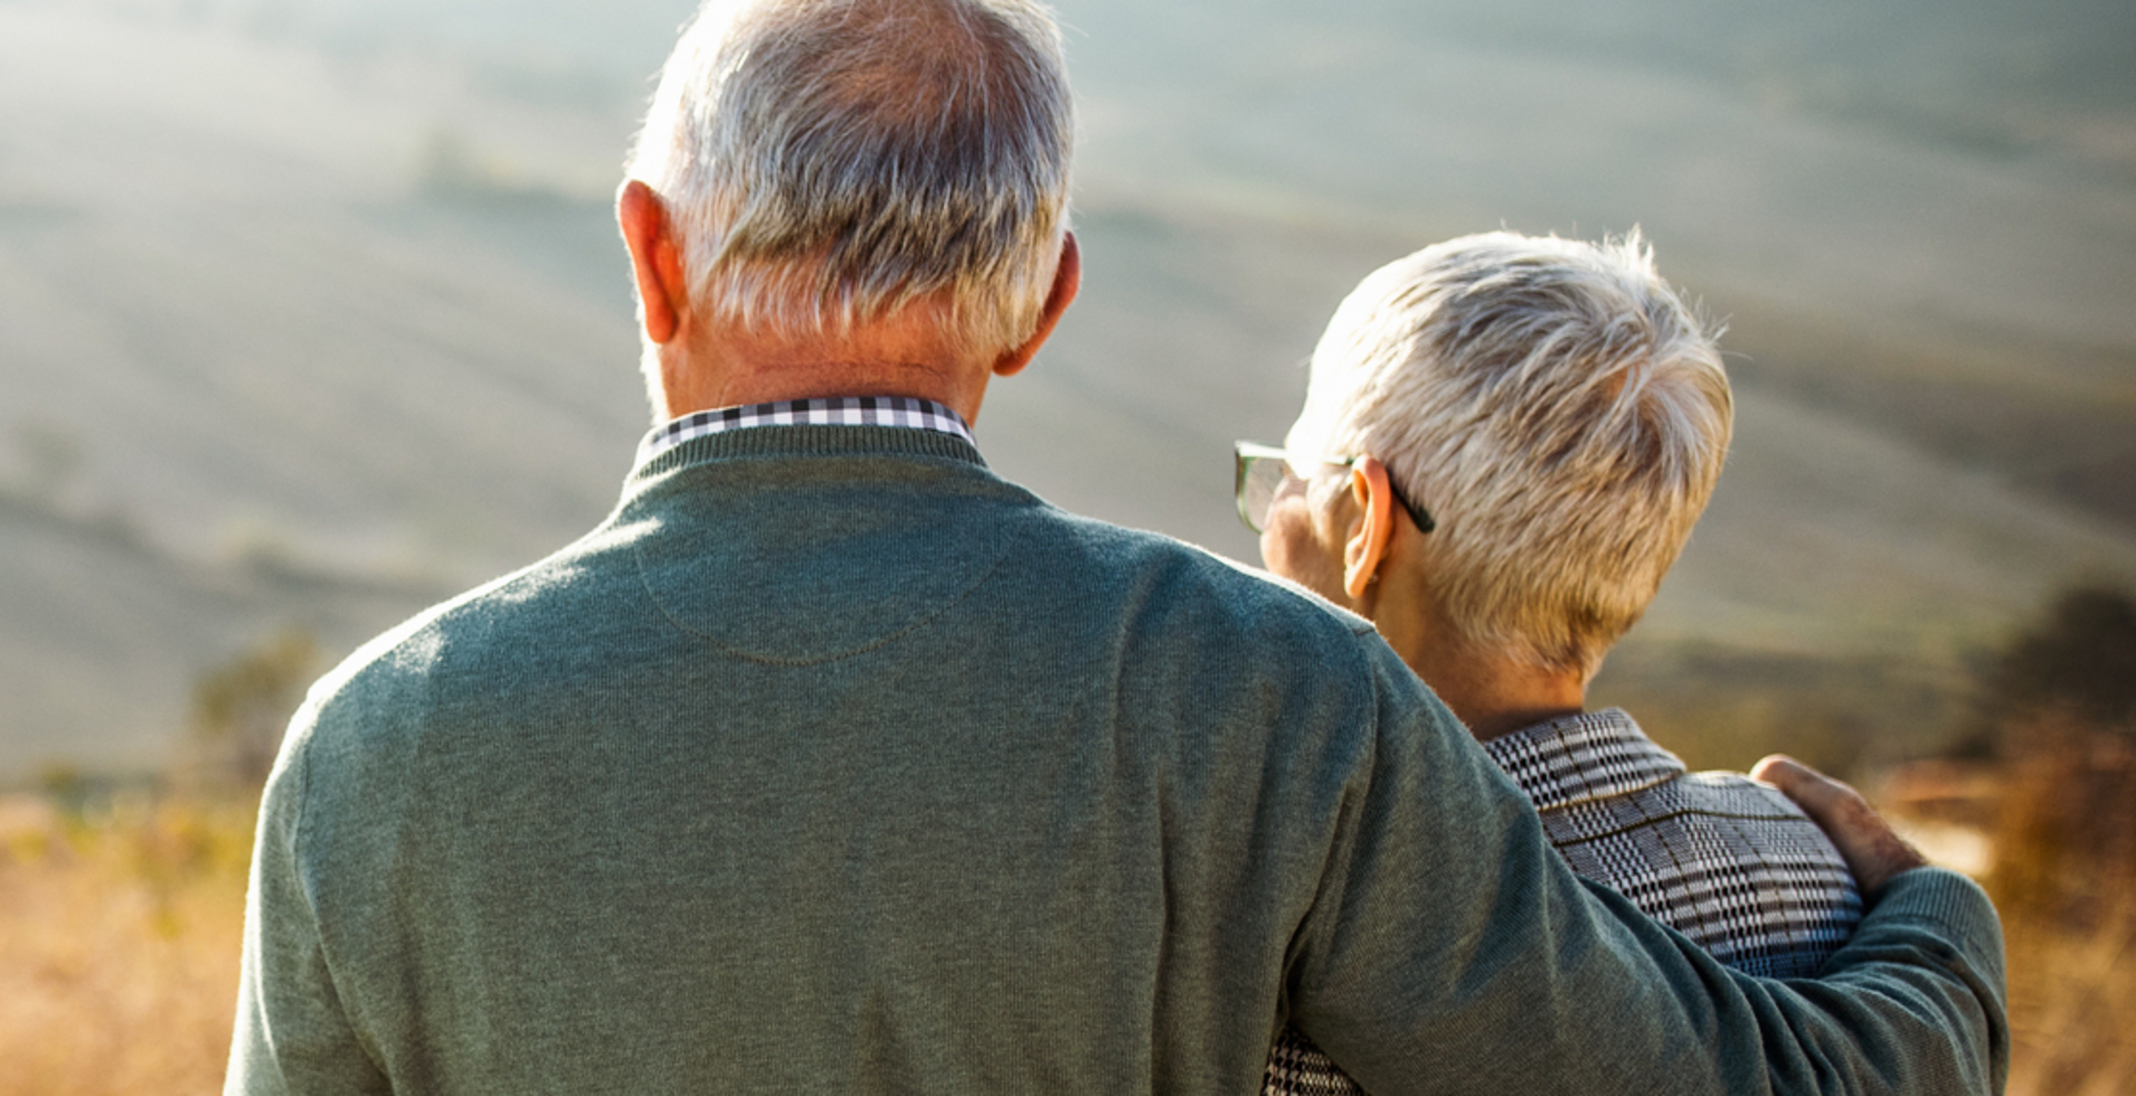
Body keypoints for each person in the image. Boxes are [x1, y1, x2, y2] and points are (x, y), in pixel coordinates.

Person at [222, 0, 2006, 1092]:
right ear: (1040, 304)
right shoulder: (1273, 691)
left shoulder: (378, 743)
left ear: (650, 254)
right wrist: (1932, 933)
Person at [1239, 231, 1865, 1093]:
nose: (1268, 520)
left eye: (1287, 480)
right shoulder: (1824, 878)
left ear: (1368, 524)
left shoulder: (1284, 958)